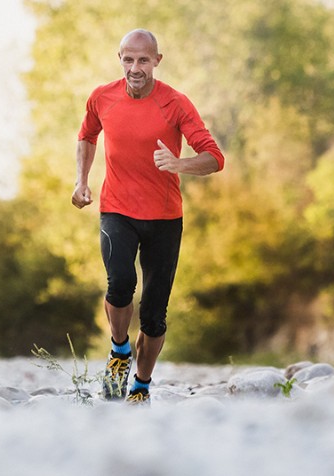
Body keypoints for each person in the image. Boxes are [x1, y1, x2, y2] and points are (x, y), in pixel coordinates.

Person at [71, 29, 225, 405]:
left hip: (164, 217)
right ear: (119, 58)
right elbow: (87, 136)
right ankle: (119, 350)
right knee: (120, 283)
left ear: (157, 60)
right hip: (117, 210)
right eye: (128, 59)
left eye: (143, 60)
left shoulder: (175, 104)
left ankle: (141, 384)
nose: (135, 67)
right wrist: (81, 181)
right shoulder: (102, 97)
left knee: (154, 314)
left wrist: (179, 163)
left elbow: (214, 157)